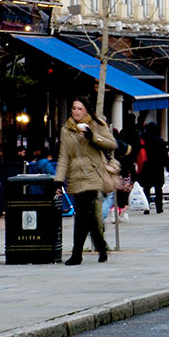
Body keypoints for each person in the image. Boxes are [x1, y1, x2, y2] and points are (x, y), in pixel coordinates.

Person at [55, 97, 118, 265]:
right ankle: (100, 246)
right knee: (87, 216)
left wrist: (92, 136)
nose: (76, 112)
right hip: (75, 177)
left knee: (82, 215)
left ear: (86, 111)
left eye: (80, 109)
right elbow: (63, 156)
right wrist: (59, 180)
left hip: (93, 175)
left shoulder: (96, 125)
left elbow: (112, 145)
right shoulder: (66, 130)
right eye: (74, 108)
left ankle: (77, 254)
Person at [134, 121, 169, 215]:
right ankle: (159, 207)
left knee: (146, 188)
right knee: (158, 188)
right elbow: (165, 156)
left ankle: (147, 206)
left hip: (146, 166)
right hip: (158, 167)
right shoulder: (160, 141)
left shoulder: (143, 140)